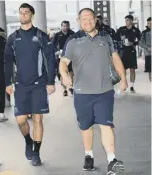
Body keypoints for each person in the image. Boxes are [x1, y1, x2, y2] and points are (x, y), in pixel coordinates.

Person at [60, 8, 127, 175]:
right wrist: (63, 74)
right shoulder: (73, 40)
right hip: (82, 93)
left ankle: (112, 160)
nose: (87, 22)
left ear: (95, 20)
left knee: (106, 125)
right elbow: (63, 62)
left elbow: (115, 58)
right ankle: (88, 155)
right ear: (78, 20)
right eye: (84, 19)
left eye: (90, 19)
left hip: (104, 90)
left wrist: (123, 78)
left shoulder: (106, 37)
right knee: (85, 127)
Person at [4, 3, 56, 166]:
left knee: (38, 119)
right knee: (20, 120)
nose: (23, 15)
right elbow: (7, 61)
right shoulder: (13, 38)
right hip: (20, 84)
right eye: (21, 13)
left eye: (26, 12)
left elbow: (50, 59)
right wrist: (8, 82)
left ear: (32, 15)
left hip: (39, 84)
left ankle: (36, 153)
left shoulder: (41, 36)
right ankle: (28, 140)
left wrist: (50, 81)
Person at [115, 15, 141, 93]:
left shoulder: (136, 30)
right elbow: (115, 38)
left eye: (127, 20)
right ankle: (124, 84)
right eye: (125, 20)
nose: (126, 22)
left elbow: (140, 41)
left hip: (132, 51)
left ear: (131, 21)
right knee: (123, 70)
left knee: (132, 69)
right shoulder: (121, 29)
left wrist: (132, 43)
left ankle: (132, 86)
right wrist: (121, 39)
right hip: (123, 52)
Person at [52, 21, 75, 96]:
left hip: (70, 56)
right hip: (60, 56)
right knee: (62, 72)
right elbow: (52, 45)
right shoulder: (57, 35)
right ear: (61, 26)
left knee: (71, 71)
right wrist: (56, 51)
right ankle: (64, 89)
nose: (65, 27)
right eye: (64, 26)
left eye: (67, 26)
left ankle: (71, 87)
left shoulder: (72, 34)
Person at [140, 17, 151, 81]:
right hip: (148, 53)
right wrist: (147, 48)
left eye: (151, 23)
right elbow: (141, 43)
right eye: (148, 23)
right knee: (149, 69)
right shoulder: (144, 32)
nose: (150, 25)